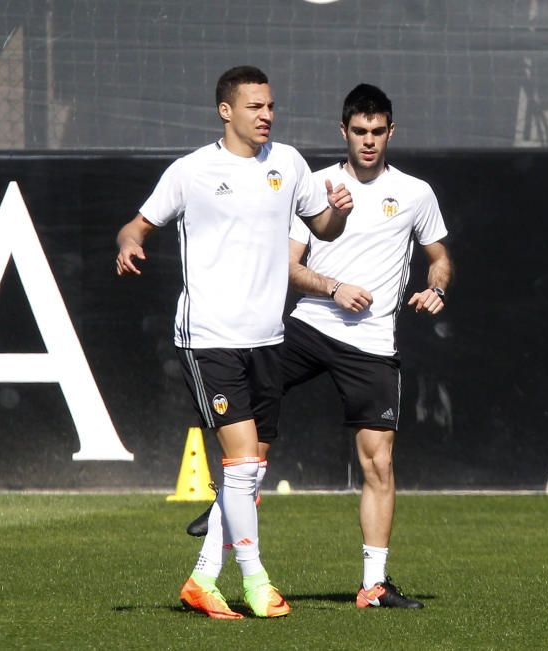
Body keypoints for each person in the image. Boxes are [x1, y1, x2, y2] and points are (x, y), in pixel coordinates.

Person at [189, 83, 452, 609]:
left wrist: (436, 287)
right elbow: (290, 266)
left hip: (373, 342)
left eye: (378, 132)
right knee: (252, 440)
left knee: (378, 463)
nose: (369, 141)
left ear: (390, 132)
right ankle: (226, 506)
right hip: (309, 327)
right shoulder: (315, 184)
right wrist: (334, 288)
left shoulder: (416, 193)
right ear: (344, 131)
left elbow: (439, 256)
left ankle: (373, 585)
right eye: (359, 131)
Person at [115, 65, 353, 619]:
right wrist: (129, 245)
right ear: (227, 111)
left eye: (270, 106)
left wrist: (338, 213)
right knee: (242, 465)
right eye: (254, 106)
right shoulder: (192, 171)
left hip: (268, 339)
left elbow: (323, 228)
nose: (266, 114)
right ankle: (256, 581)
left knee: (250, 471)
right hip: (210, 339)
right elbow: (136, 226)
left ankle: (202, 578)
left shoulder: (289, 163)